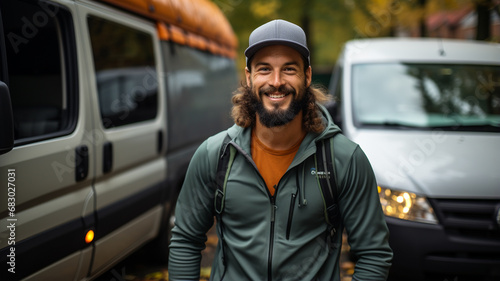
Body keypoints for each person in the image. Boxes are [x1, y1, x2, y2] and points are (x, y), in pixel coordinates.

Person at [168, 19, 392, 280]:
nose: (276, 82)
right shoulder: (214, 155)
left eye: (288, 69)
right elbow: (185, 241)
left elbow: (374, 253)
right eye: (264, 69)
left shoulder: (344, 159)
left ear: (307, 76)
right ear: (249, 76)